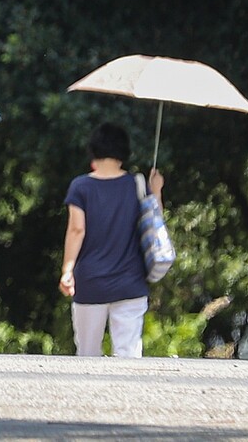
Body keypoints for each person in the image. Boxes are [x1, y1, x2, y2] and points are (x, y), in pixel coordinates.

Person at [59, 122, 163, 358]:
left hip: (90, 282)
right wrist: (156, 190)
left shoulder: (80, 186)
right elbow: (155, 224)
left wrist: (67, 269)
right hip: (130, 282)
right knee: (128, 355)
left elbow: (77, 230)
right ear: (124, 152)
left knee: (87, 354)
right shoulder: (137, 184)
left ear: (94, 149)